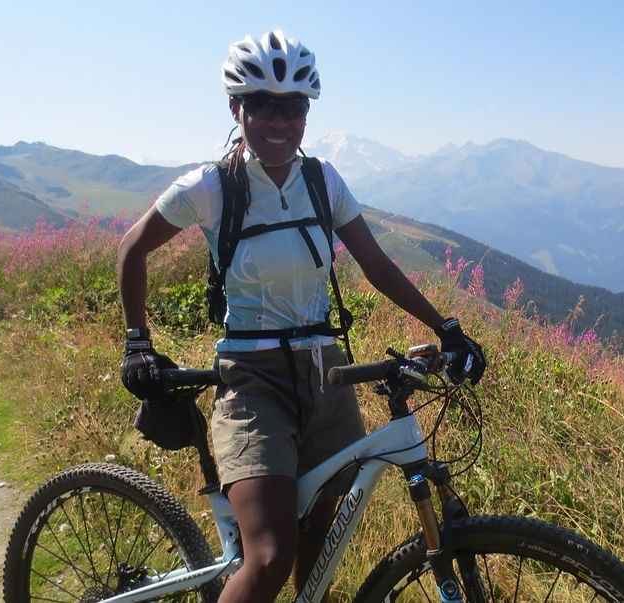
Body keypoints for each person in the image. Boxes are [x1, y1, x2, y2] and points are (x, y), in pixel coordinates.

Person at [116, 29, 486, 602]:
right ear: (236, 107)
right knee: (268, 557)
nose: (280, 120)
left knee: (320, 531)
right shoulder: (212, 187)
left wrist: (445, 327)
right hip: (251, 380)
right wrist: (137, 340)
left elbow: (377, 266)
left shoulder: (323, 181)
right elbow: (131, 249)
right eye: (262, 104)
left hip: (329, 375)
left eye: (293, 106)